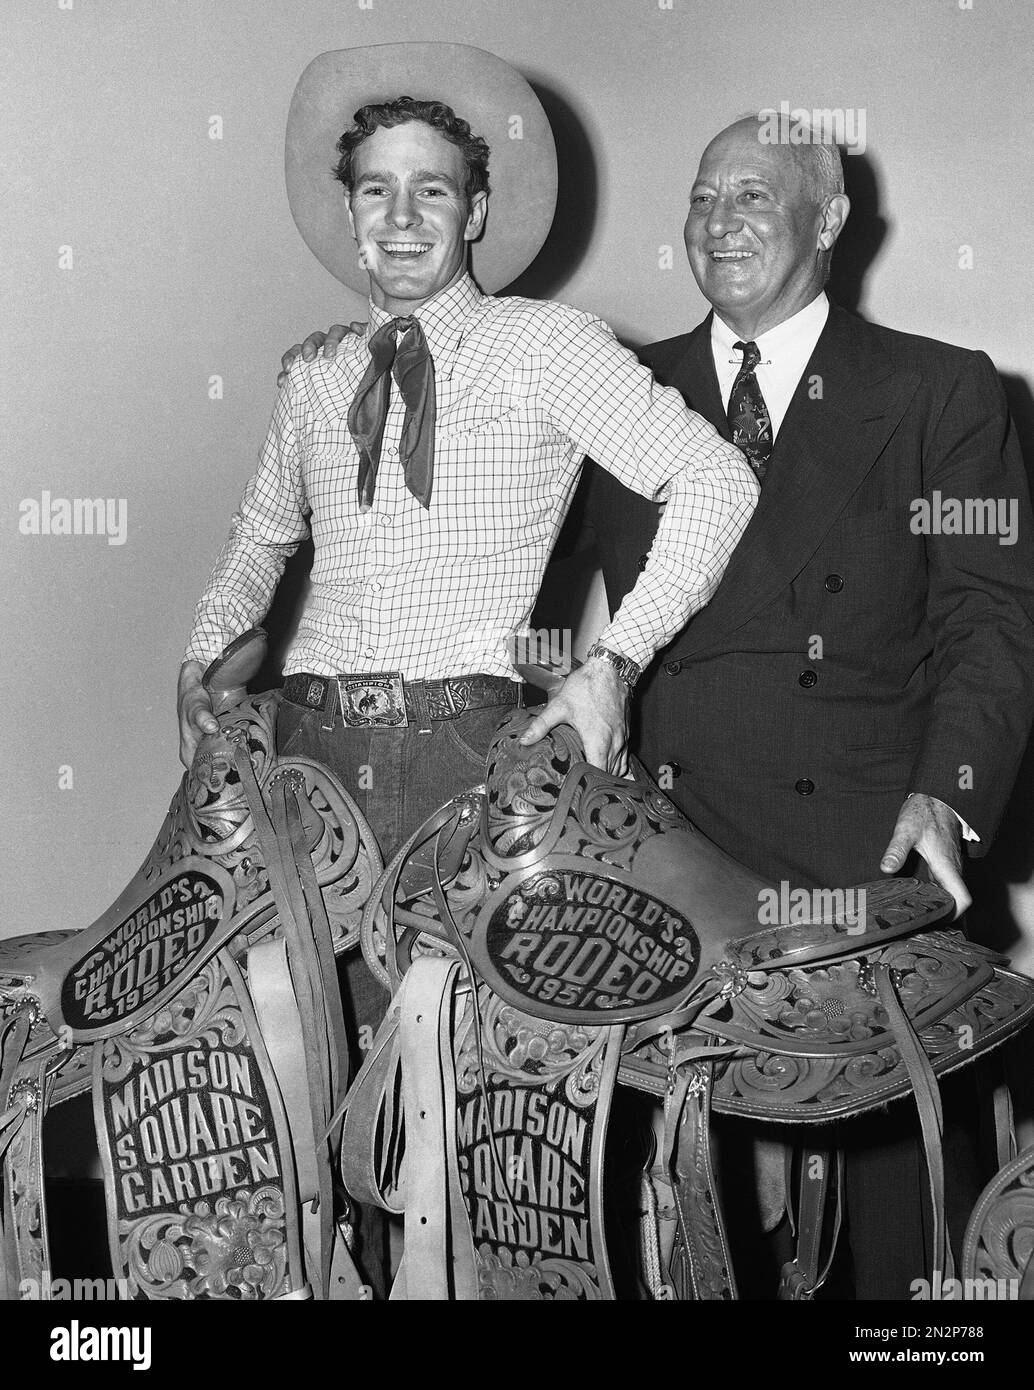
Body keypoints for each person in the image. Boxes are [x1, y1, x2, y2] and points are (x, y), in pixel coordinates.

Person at [288, 110, 1034, 1298]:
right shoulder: (622, 384)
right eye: (700, 198)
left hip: (858, 850)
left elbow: (993, 624)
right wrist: (384, 350)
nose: (718, 222)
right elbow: (506, 580)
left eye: (752, 196)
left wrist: (946, 798)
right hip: (653, 860)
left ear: (829, 220)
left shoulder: (941, 391)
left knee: (892, 1249)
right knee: (660, 1214)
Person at [178, 46, 757, 1289]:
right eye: (375, 192)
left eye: (429, 191)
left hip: (470, 761)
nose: (398, 220)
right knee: (269, 1090)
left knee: (461, 1117)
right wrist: (196, 664)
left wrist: (612, 661)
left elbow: (712, 477)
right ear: (347, 212)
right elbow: (254, 547)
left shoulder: (546, 345)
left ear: (476, 211)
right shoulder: (311, 371)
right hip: (301, 767)